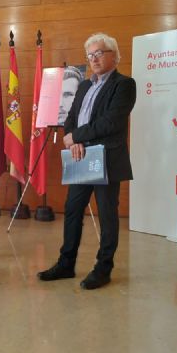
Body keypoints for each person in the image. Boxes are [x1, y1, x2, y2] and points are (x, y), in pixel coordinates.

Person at [38, 32, 136, 290]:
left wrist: (76, 136)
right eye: (90, 55)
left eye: (99, 53)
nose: (93, 59)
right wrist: (74, 140)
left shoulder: (124, 85)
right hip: (80, 156)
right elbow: (71, 118)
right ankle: (66, 264)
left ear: (114, 56)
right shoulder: (83, 85)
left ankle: (104, 268)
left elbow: (111, 122)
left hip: (106, 158)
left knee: (107, 214)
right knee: (72, 209)